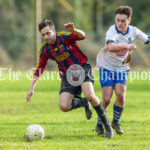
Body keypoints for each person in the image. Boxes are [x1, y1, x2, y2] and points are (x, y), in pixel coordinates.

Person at [26, 19, 113, 138]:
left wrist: (74, 30)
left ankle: (107, 127)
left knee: (90, 95)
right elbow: (39, 68)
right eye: (43, 35)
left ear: (54, 31)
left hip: (82, 68)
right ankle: (84, 103)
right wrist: (32, 88)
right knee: (64, 106)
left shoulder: (64, 37)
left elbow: (83, 36)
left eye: (48, 33)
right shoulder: (45, 49)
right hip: (67, 75)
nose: (46, 37)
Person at [96, 6, 150, 135]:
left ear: (129, 21)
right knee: (107, 99)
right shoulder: (112, 31)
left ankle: (115, 122)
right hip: (106, 66)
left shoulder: (134, 31)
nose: (120, 23)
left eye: (123, 21)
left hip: (121, 67)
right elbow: (111, 47)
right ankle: (99, 124)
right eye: (117, 20)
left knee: (120, 94)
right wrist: (127, 46)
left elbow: (148, 40)